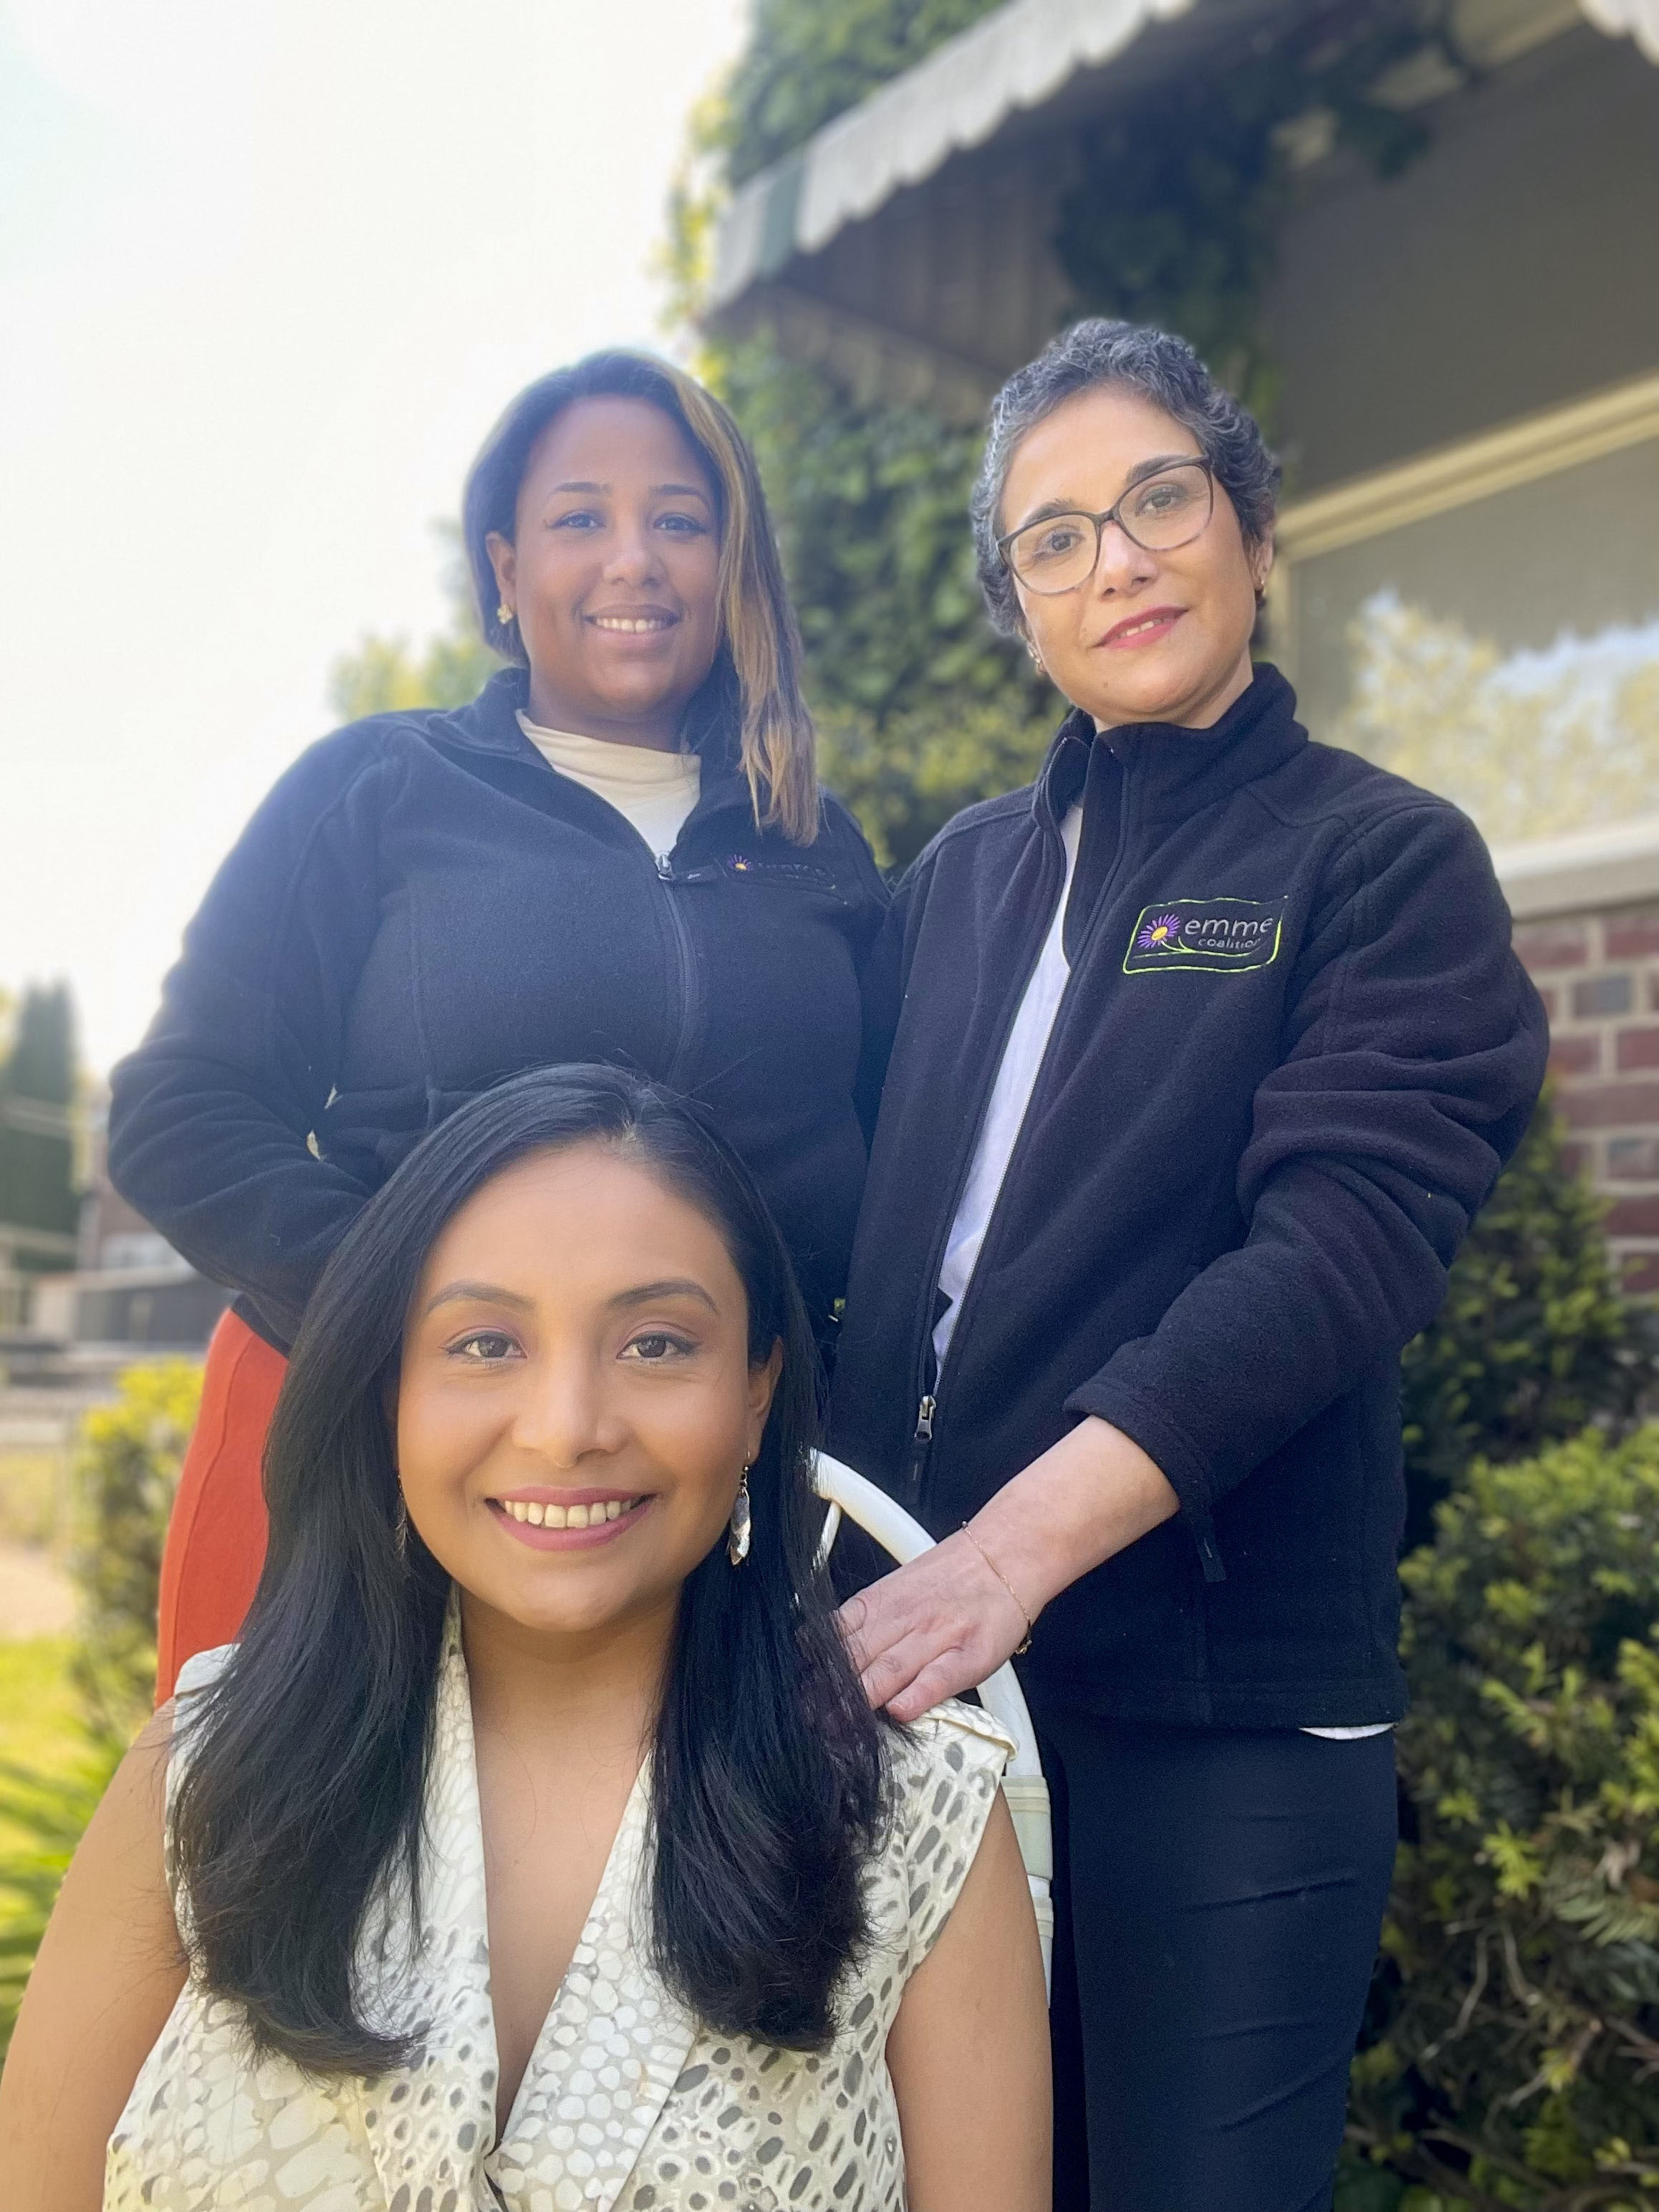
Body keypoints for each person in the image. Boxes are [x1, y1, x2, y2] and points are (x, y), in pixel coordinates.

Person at [827, 319, 1551, 2212]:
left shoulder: (1381, 863)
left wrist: (1005, 1557)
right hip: (925, 1697)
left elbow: (1335, 1256)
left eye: (1159, 499)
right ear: (1019, 607)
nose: (1117, 562)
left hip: (1219, 1722)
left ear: (1252, 529)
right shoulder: (954, 885)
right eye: (1054, 537)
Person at [1, 1065, 1051, 2212]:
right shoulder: (205, 1767)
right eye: (486, 1343)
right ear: (391, 1387)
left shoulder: (922, 1819)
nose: (566, 1429)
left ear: (758, 1393)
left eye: (656, 1344)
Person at [107, 350, 890, 1702]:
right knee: (292, 1830)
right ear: (505, 569)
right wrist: (426, 1330)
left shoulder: (817, 847)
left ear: (732, 568)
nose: (634, 557)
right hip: (367, 1452)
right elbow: (181, 1110)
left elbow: (868, 1171)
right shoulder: (377, 790)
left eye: (680, 520)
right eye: (582, 517)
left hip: (688, 1498)